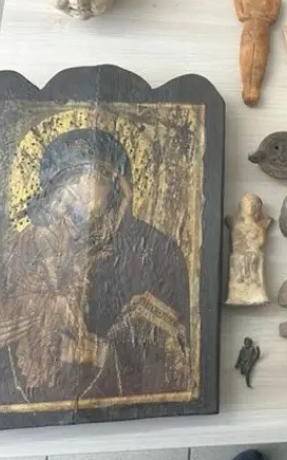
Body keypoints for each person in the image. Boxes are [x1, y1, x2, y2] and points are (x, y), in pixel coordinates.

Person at [0, 128, 191, 404]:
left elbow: (176, 357)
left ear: (117, 186)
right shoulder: (17, 251)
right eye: (69, 178)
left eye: (95, 176)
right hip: (27, 402)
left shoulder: (153, 251)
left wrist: (101, 354)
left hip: (115, 401)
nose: (79, 189)